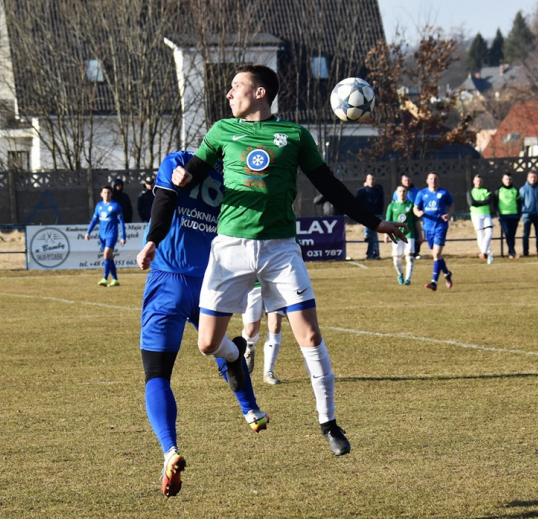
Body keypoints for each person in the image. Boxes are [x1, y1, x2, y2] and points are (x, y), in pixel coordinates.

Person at [171, 63, 407, 457]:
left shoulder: (295, 136)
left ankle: (328, 423)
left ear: (259, 93)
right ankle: (235, 357)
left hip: (280, 251)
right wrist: (181, 179)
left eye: (236, 87)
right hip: (229, 250)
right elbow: (193, 172)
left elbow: (329, 185)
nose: (229, 94)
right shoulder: (220, 131)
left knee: (309, 335)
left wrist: (374, 221)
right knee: (207, 344)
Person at [136, 151, 268, 497]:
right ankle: (251, 410)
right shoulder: (236, 176)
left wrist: (152, 240)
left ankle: (169, 449)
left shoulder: (177, 160)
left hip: (168, 279)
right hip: (212, 281)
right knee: (220, 348)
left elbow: (163, 202)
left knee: (157, 374)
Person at [413, 172, 454, 291]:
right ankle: (447, 273)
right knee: (437, 256)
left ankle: (434, 282)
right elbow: (415, 207)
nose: (433, 181)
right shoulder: (422, 193)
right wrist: (418, 212)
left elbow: (452, 205)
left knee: (436, 255)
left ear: (439, 181)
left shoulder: (444, 193)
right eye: (431, 179)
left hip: (440, 226)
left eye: (435, 179)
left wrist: (449, 215)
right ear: (427, 181)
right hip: (428, 227)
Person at [241, 282, 286, 385]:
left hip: (274, 285)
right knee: (251, 331)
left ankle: (268, 372)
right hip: (251, 285)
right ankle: (249, 348)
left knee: (274, 325)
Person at [85, 185, 126, 286]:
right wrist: (88, 232)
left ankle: (104, 278)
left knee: (106, 254)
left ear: (111, 194)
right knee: (110, 257)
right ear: (101, 194)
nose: (106, 194)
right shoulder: (99, 206)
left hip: (112, 234)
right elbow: (94, 220)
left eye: (108, 192)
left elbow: (121, 222)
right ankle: (115, 279)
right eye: (105, 192)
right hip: (101, 235)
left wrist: (123, 236)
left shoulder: (116, 206)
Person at [384, 186, 417, 285]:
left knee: (409, 256)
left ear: (407, 193)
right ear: (396, 193)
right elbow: (387, 221)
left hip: (409, 234)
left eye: (404, 191)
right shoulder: (392, 206)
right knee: (396, 259)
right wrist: (386, 234)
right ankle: (400, 274)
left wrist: (420, 234)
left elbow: (416, 222)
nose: (402, 193)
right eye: (400, 191)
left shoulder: (411, 205)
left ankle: (408, 279)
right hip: (396, 234)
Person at [355, 173, 385, 260]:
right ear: (366, 180)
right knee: (373, 235)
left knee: (373, 234)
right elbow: (358, 201)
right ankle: (373, 253)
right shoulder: (362, 191)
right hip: (366, 214)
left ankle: (372, 253)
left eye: (373, 179)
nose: (371, 181)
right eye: (369, 179)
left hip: (376, 214)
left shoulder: (378, 189)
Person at [393, 174, 422, 258]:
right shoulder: (397, 191)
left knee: (415, 232)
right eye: (405, 180)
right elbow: (395, 202)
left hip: (413, 214)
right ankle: (402, 252)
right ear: (402, 181)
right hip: (402, 216)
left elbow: (420, 201)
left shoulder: (416, 191)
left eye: (408, 180)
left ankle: (416, 252)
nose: (407, 182)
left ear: (411, 180)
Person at [467, 174, 494, 263]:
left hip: (486, 214)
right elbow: (472, 203)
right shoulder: (470, 191)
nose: (479, 182)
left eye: (480, 181)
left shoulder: (486, 190)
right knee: (480, 233)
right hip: (476, 214)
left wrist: (478, 202)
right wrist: (482, 202)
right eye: (477, 181)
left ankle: (483, 251)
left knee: (489, 232)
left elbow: (489, 200)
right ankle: (484, 252)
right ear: (474, 181)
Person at [493, 173, 521, 259]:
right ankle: (511, 252)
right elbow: (495, 203)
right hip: (503, 216)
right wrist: (498, 214)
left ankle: (511, 252)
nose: (508, 181)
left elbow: (519, 203)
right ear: (502, 180)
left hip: (514, 215)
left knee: (512, 234)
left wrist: (519, 214)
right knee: (507, 233)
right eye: (506, 179)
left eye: (509, 179)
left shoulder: (515, 190)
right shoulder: (498, 190)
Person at [520, 170, 538, 257]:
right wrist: (525, 210)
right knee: (526, 234)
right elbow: (520, 202)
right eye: (531, 177)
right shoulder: (523, 189)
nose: (533, 179)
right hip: (527, 215)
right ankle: (526, 252)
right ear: (527, 178)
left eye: (534, 177)